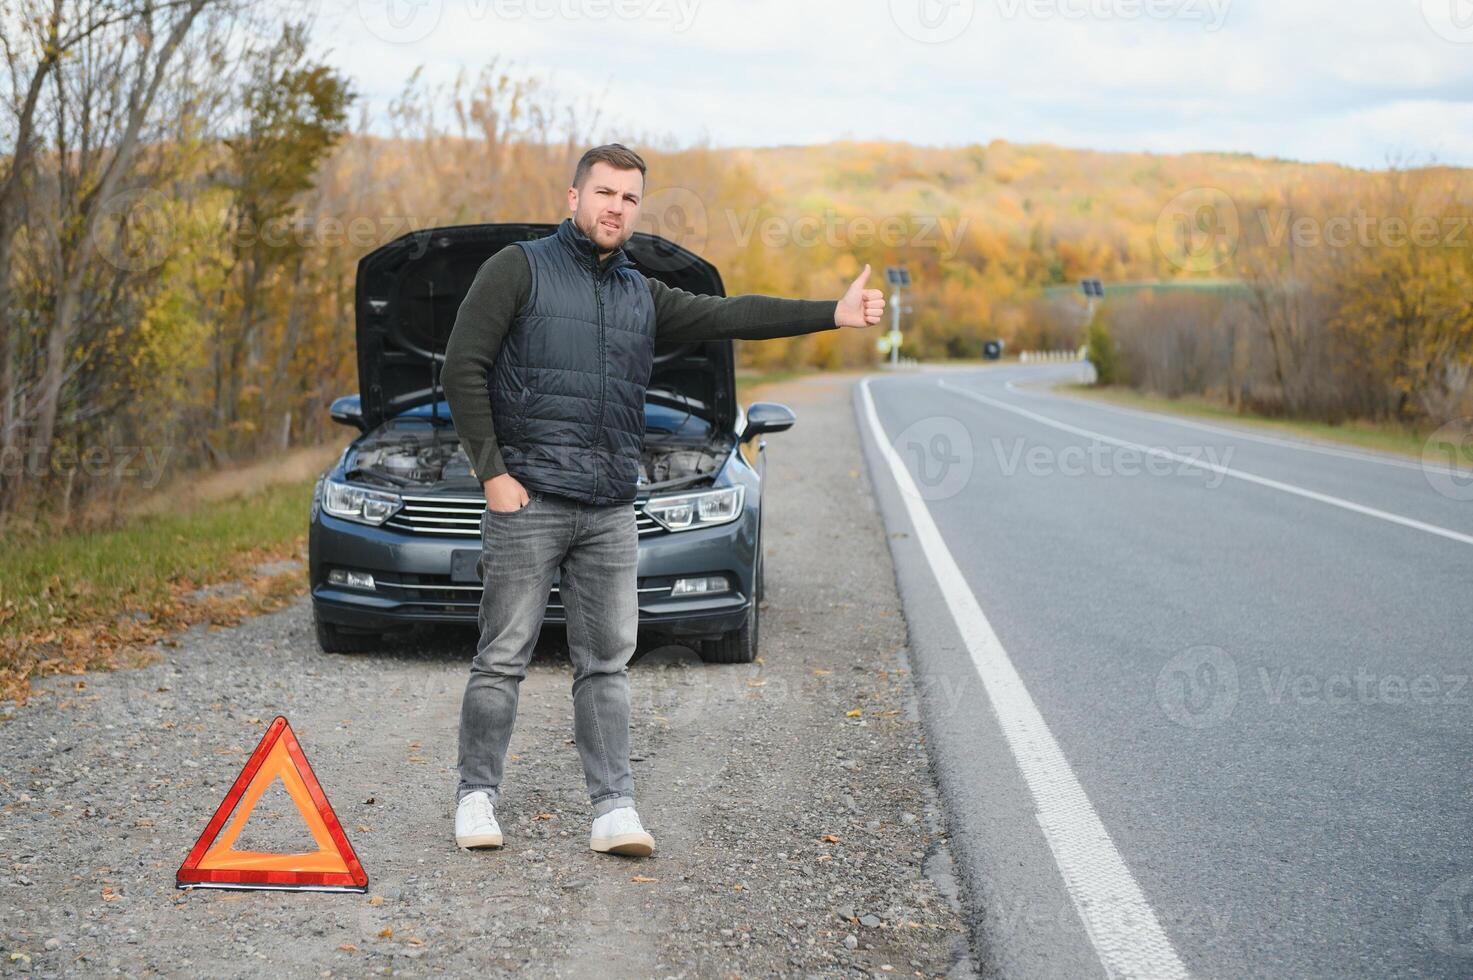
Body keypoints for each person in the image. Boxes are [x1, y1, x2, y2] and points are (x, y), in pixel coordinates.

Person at [440, 143, 885, 858]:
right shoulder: (517, 269)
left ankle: (613, 809)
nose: (615, 207)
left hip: (610, 505)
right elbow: (463, 366)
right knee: (502, 656)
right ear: (573, 197)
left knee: (607, 662)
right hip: (529, 502)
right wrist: (493, 473)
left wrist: (830, 313)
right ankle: (476, 795)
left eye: (629, 199)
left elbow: (729, 313)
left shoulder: (638, 294)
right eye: (604, 193)